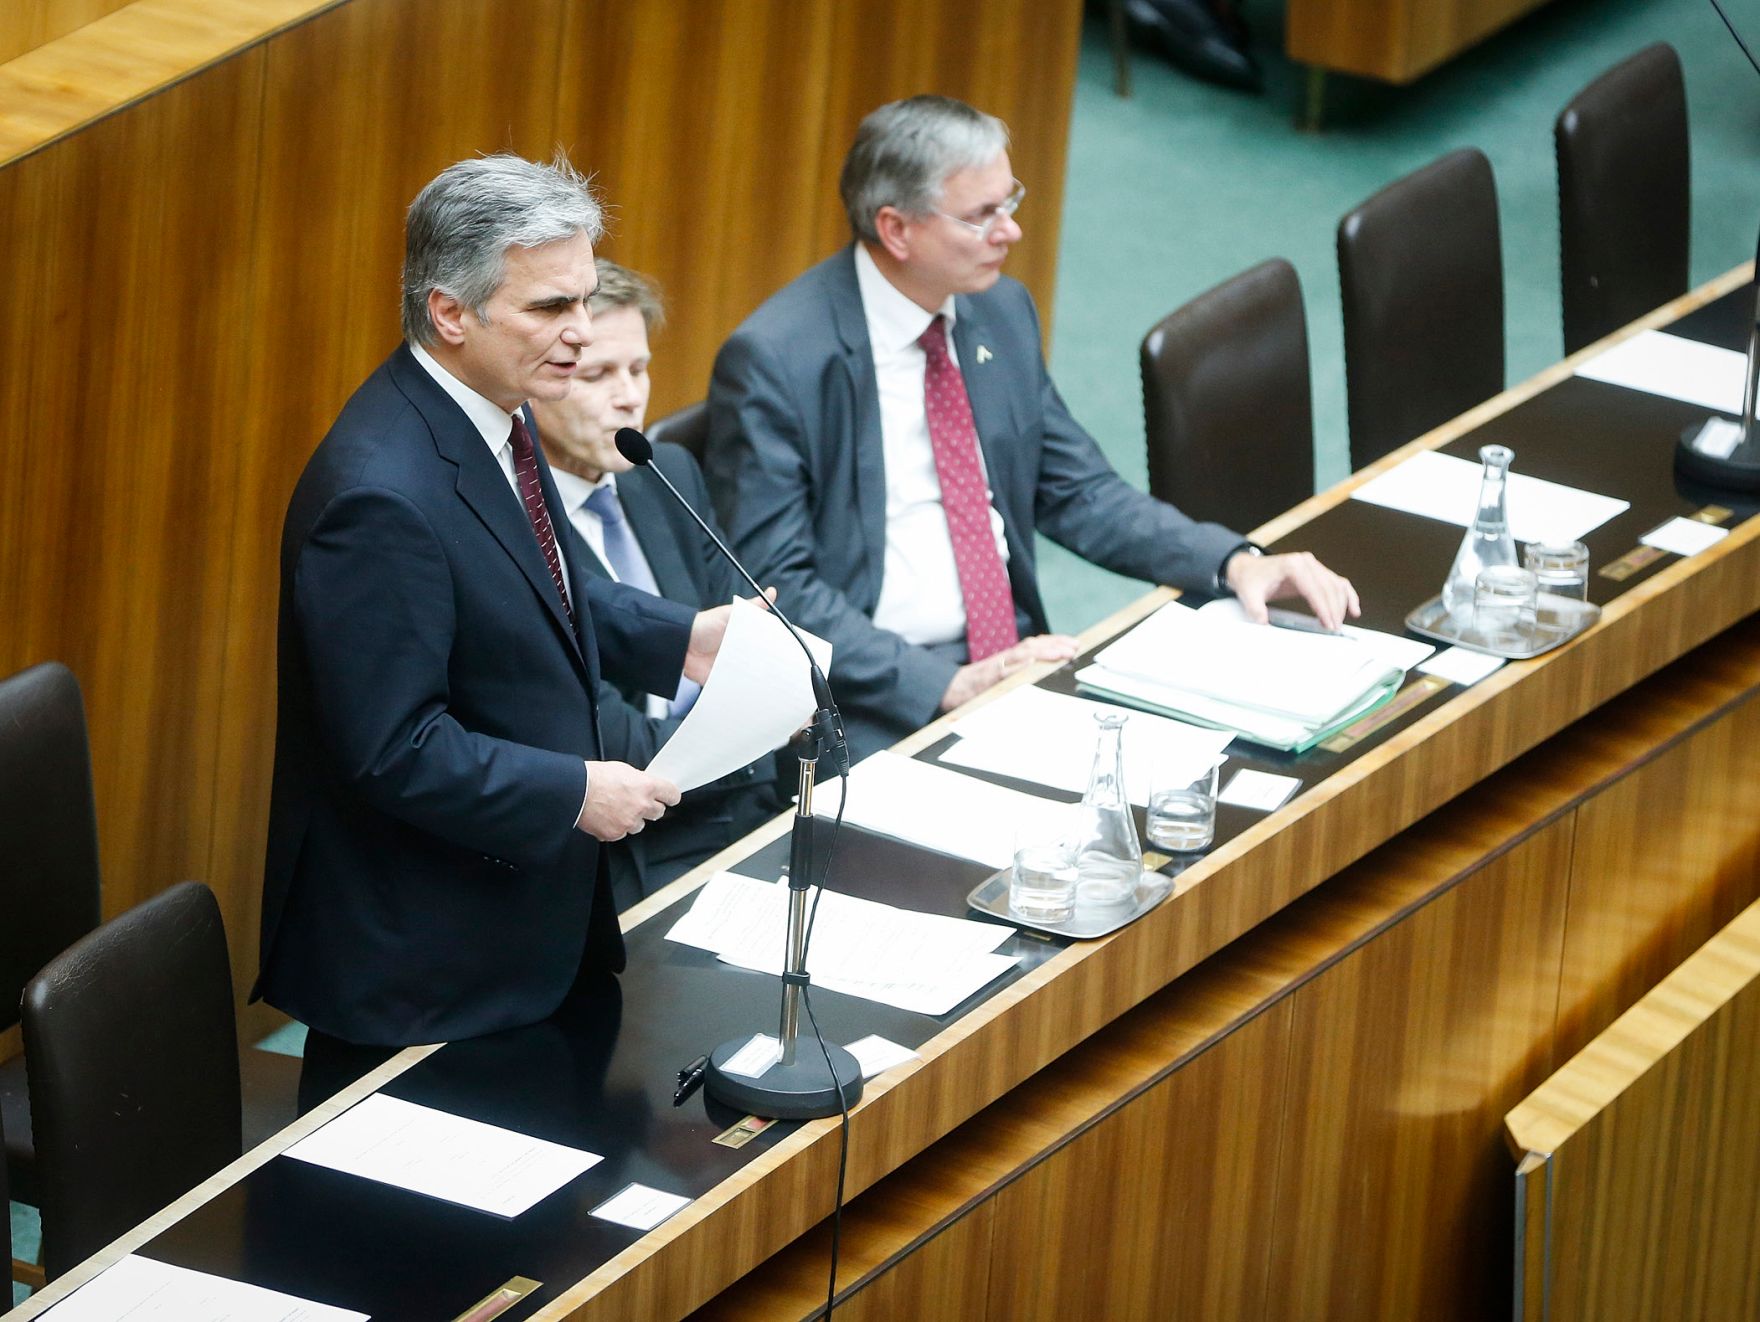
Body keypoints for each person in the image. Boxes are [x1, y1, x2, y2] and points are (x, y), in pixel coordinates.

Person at [257, 154, 739, 1107]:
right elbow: (393, 749)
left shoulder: (494, 414)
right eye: (550, 308)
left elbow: (526, 584)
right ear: (450, 312)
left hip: (522, 927)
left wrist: (676, 637)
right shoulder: (378, 495)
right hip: (427, 972)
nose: (581, 332)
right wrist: (575, 790)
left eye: (585, 299)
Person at [705, 95, 1358, 761]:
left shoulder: (999, 310)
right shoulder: (778, 362)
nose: (1011, 231)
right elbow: (780, 589)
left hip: (1015, 657)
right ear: (896, 229)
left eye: (1009, 202)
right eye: (981, 215)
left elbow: (1079, 489)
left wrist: (1233, 562)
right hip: (869, 698)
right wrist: (945, 684)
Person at [529, 261, 785, 907]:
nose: (629, 397)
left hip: (740, 808)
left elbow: (749, 647)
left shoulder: (665, 471)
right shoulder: (514, 528)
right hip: (620, 855)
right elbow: (614, 748)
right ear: (534, 384)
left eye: (638, 369)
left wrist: (760, 724)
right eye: (597, 375)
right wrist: (762, 732)